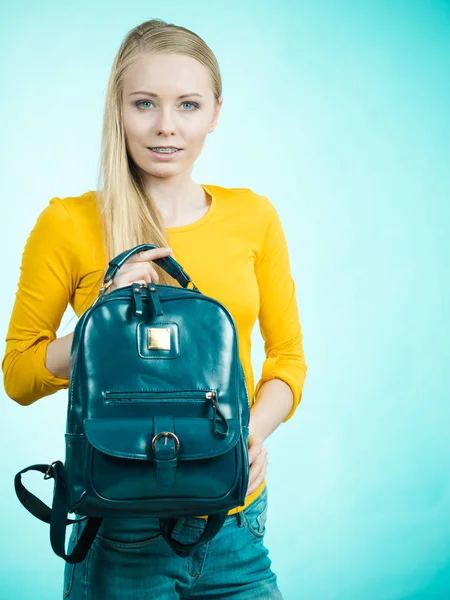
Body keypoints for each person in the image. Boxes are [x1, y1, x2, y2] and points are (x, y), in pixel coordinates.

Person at [2, 18, 308, 600]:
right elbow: (18, 374)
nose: (166, 126)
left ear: (215, 112)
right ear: (117, 109)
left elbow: (289, 363)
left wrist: (250, 435)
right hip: (121, 525)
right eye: (145, 103)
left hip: (236, 519)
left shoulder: (255, 218)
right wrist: (102, 319)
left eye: (188, 105)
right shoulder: (67, 223)